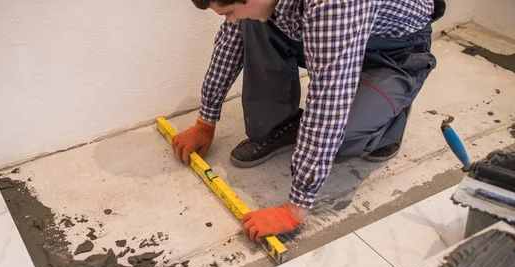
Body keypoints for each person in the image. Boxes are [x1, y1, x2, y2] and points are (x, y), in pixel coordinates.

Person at [172, 0, 445, 244]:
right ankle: (284, 124)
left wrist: (295, 208)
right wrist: (205, 121)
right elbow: (231, 41)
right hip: (342, 32)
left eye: (229, 12)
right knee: (252, 23)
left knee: (341, 138)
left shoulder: (334, 4)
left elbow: (329, 97)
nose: (229, 18)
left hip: (393, 52)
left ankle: (391, 114)